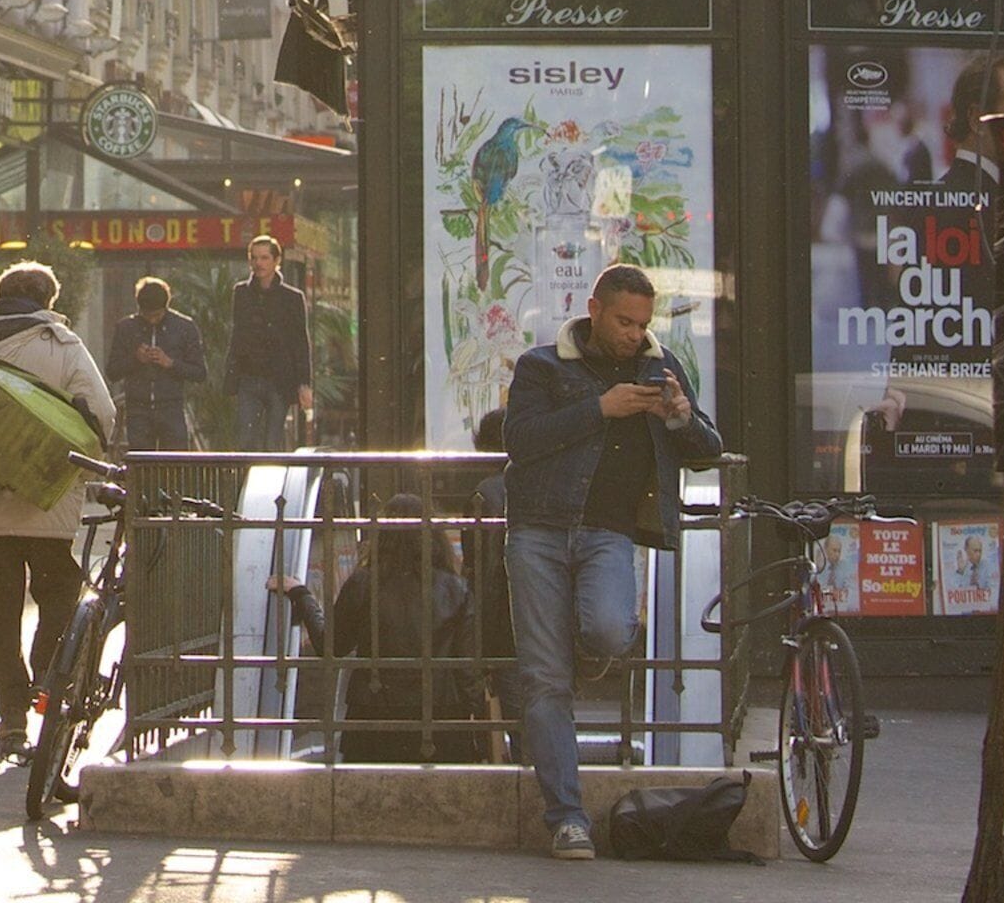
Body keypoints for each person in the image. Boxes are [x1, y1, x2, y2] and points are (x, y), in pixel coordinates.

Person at [497, 264, 724, 861]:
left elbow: (709, 451)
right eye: (624, 321)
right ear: (593, 310)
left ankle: (583, 650)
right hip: (539, 530)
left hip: (610, 532)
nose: (633, 334)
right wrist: (603, 407)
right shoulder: (543, 366)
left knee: (609, 629)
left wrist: (675, 413)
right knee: (545, 682)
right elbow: (519, 441)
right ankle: (567, 818)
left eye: (642, 324)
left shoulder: (660, 368)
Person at [0, 261, 117, 753]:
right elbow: (101, 413)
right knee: (60, 590)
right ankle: (46, 675)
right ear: (49, 302)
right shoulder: (63, 346)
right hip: (48, 501)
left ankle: (11, 715)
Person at [273, 490, 479, 762]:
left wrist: (301, 595)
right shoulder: (457, 589)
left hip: (374, 715)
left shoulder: (363, 583)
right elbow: (467, 666)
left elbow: (330, 645)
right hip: (440, 715)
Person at [224, 234, 314, 452]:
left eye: (264, 258)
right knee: (246, 440)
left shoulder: (292, 297)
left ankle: (272, 486)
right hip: (249, 376)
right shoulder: (242, 293)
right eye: (254, 258)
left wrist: (304, 383)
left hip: (279, 378)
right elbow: (237, 334)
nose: (259, 263)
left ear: (276, 261)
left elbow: (300, 341)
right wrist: (231, 376)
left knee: (272, 442)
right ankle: (245, 483)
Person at [104, 276, 208, 453]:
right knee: (142, 465)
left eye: (157, 316)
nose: (152, 320)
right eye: (147, 315)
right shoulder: (126, 327)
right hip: (138, 408)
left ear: (166, 308)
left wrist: (171, 363)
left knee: (175, 463)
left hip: (171, 407)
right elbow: (112, 371)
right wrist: (136, 359)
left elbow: (199, 372)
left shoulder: (184, 327)